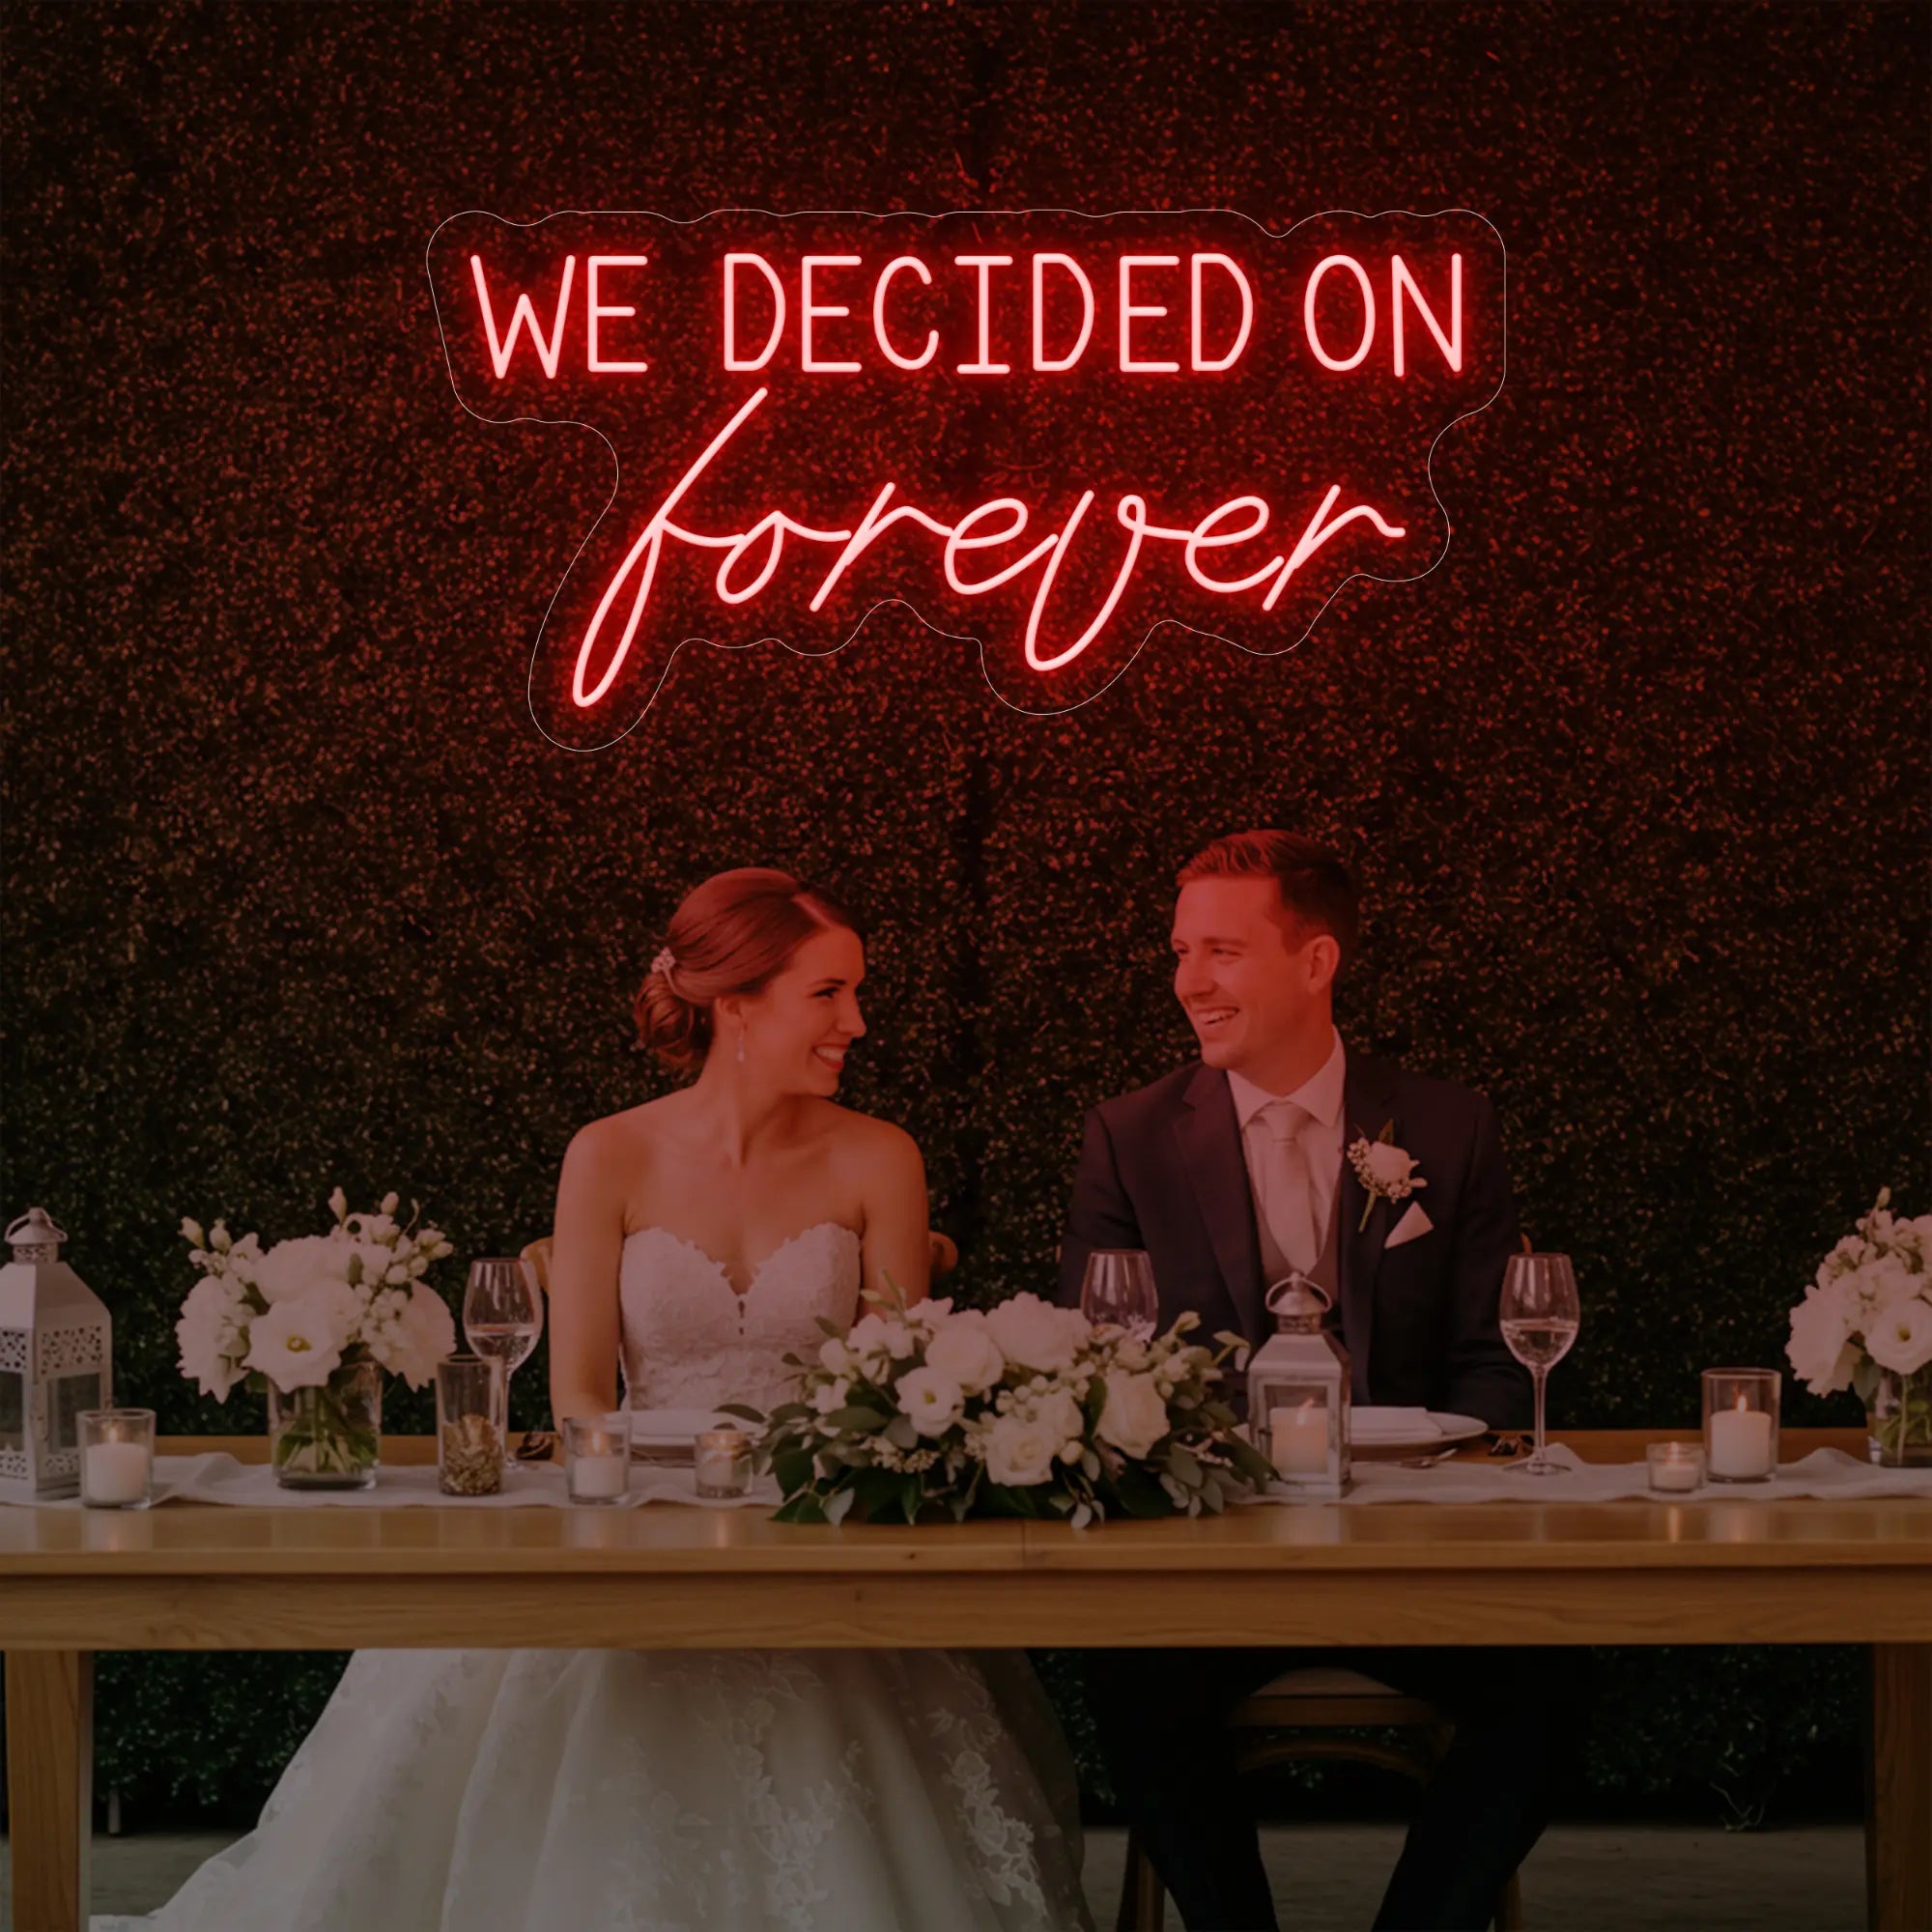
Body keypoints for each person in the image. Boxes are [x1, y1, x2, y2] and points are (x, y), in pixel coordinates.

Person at [104, 867, 1090, 1932]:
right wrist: (631, 1505)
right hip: (627, 1511)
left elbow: (893, 1384)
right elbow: (577, 1386)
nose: (856, 1019)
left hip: (812, 1526)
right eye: (828, 992)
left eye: (854, 992)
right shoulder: (609, 1151)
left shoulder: (881, 1155)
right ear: (735, 1003)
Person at [1059, 830, 1554, 1932]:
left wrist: (1406, 1453)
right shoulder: (1131, 1136)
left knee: (1552, 1684)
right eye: (1181, 951)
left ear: (1316, 961)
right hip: (1211, 1561)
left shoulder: (1443, 1125)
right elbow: (1094, 1360)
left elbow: (1488, 1358)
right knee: (1131, 1686)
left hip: (1414, 1550)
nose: (1188, 980)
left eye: (1221, 950)